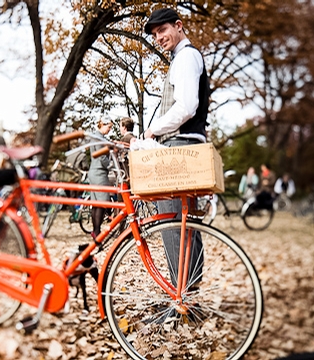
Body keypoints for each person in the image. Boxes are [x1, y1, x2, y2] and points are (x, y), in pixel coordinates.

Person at [143, 8, 209, 290]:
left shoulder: (185, 57)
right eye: (155, 34)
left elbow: (186, 106)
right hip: (187, 146)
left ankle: (180, 296)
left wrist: (153, 129)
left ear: (178, 26)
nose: (159, 38)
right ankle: (189, 296)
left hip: (180, 147)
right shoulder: (185, 58)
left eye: (162, 31)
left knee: (172, 225)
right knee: (185, 225)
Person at [88, 117, 114, 239]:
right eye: (109, 127)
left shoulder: (95, 136)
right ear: (102, 125)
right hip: (99, 172)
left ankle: (95, 231)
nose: (109, 130)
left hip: (93, 171)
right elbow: (102, 157)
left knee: (96, 204)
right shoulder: (99, 138)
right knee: (103, 203)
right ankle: (97, 232)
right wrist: (112, 165)